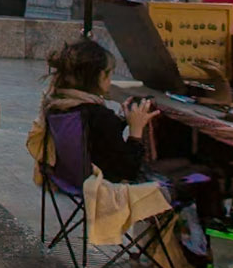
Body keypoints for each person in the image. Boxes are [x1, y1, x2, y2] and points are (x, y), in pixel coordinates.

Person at [36, 36, 156, 183]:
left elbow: (96, 137)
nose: (110, 81)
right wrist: (135, 132)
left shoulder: (57, 105)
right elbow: (128, 170)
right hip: (100, 188)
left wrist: (122, 121)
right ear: (100, 75)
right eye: (110, 74)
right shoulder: (99, 116)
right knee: (183, 182)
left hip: (66, 179)